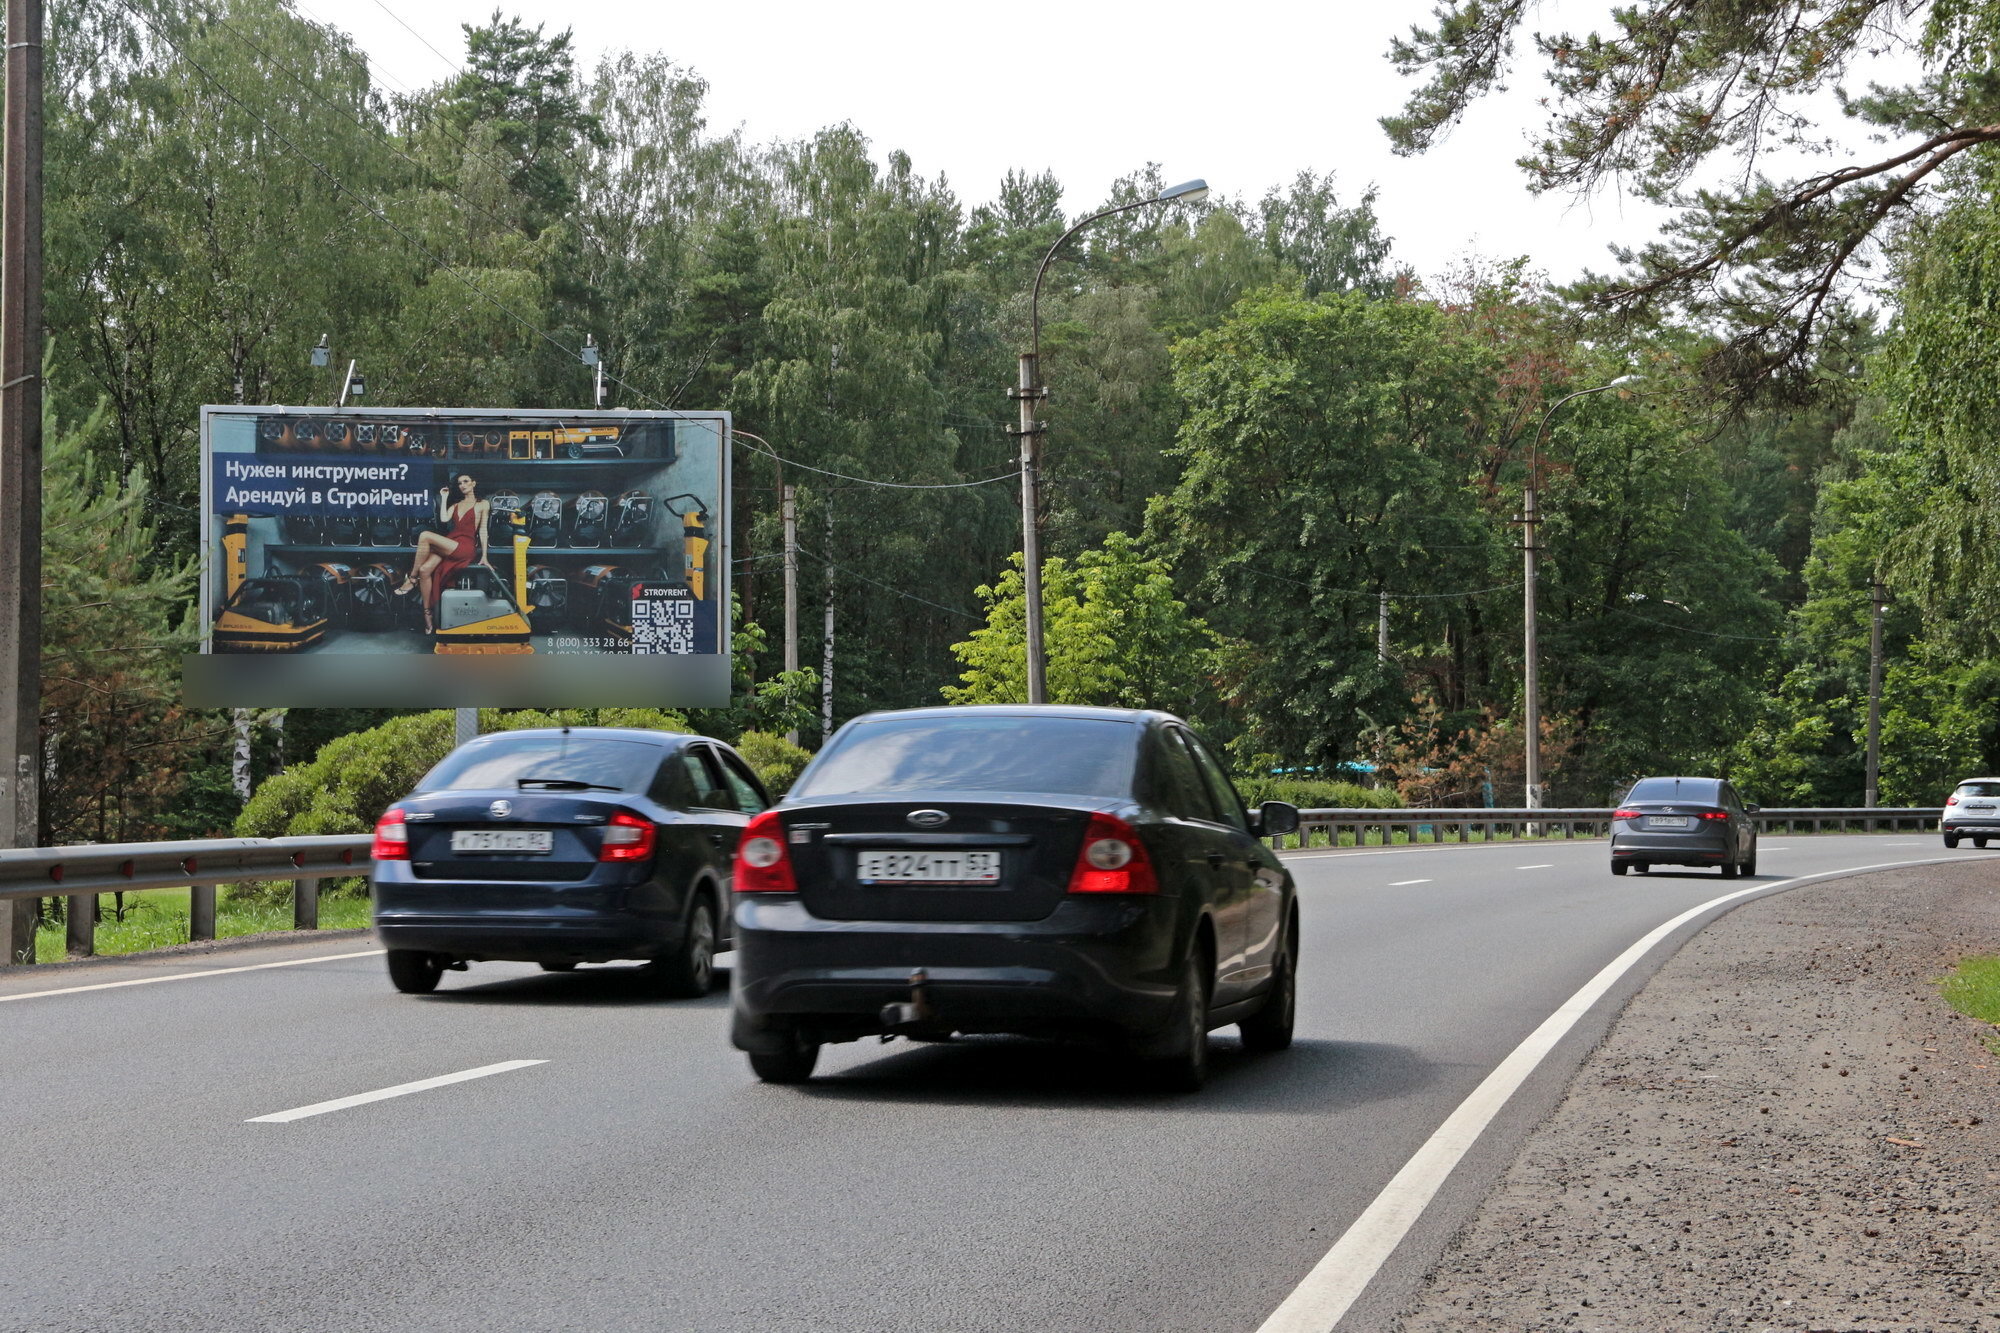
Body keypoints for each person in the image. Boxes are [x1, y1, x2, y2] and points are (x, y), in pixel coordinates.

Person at [394, 473, 490, 634]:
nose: (463, 485)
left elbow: (483, 530)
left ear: (474, 483)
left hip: (465, 547)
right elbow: (444, 519)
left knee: (425, 536)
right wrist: (444, 497)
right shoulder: (456, 505)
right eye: (459, 483)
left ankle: (411, 578)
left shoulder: (483, 504)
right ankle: (428, 615)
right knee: (425, 570)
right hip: (450, 543)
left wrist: (484, 556)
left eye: (466, 481)